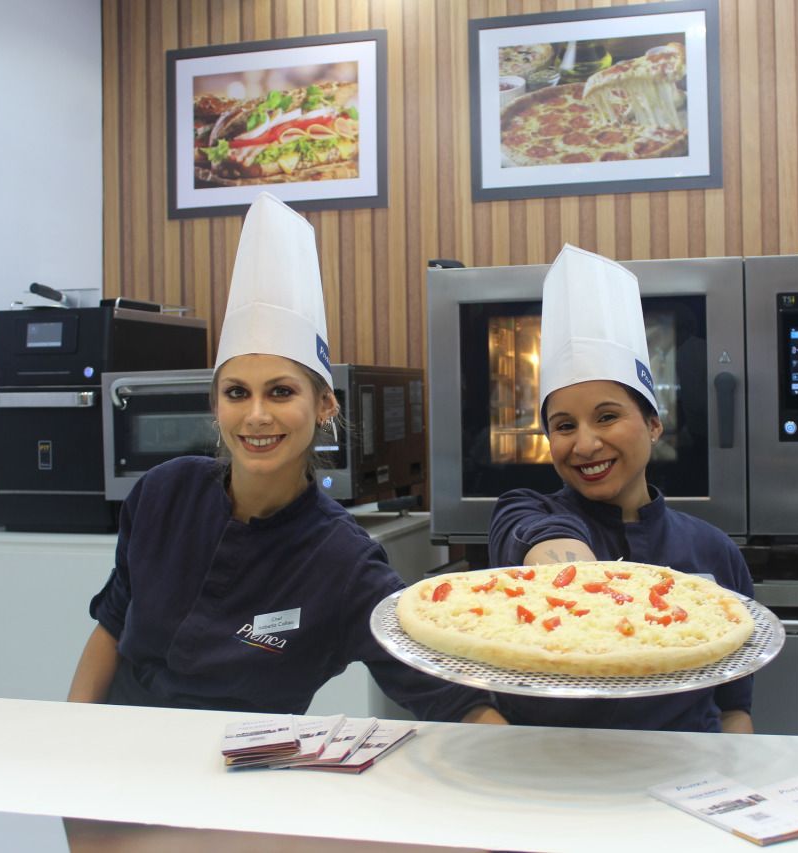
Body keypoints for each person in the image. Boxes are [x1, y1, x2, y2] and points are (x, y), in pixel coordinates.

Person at [68, 192, 496, 723]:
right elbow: (111, 626)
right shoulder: (163, 493)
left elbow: (446, 694)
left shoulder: (343, 562)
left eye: (280, 392)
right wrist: (74, 741)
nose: (256, 416)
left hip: (241, 787)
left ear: (324, 404)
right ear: (215, 403)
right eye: (237, 393)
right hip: (118, 762)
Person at [487, 244, 754, 734]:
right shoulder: (526, 510)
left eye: (607, 417)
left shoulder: (713, 551)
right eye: (564, 426)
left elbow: (735, 706)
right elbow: (542, 537)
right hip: (550, 774)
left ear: (653, 425)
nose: (585, 444)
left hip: (684, 775)